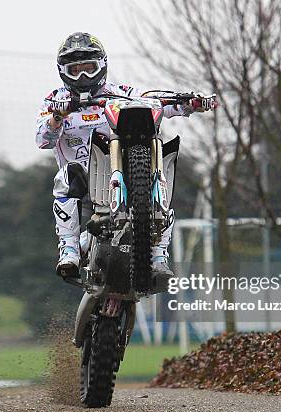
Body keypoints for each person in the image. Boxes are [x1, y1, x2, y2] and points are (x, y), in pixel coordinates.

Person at [35, 32, 215, 279]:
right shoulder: (55, 100)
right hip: (84, 187)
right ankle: (69, 249)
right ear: (63, 71)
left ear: (102, 65)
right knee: (66, 175)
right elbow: (43, 140)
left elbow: (157, 102)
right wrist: (58, 117)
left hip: (127, 176)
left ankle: (158, 255)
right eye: (75, 70)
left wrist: (190, 103)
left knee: (161, 172)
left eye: (89, 67)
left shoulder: (121, 92)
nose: (84, 75)